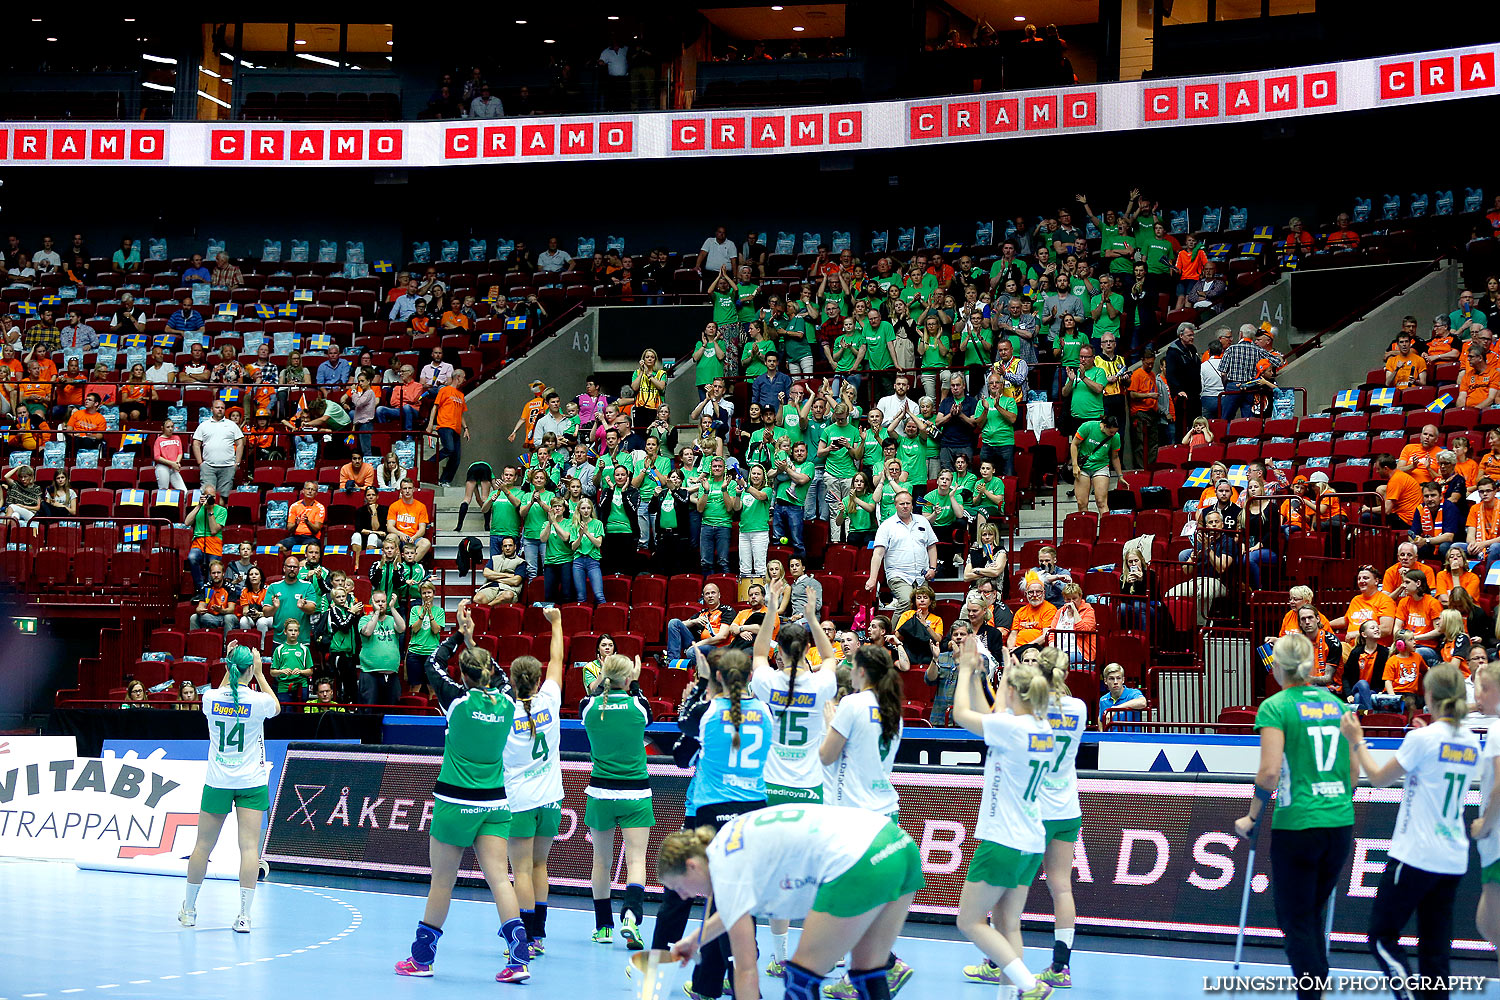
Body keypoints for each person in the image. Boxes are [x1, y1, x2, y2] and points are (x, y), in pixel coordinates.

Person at [394, 601, 532, 982]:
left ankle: (422, 959)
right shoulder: (507, 700)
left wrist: (457, 635)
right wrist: (474, 641)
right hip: (495, 803)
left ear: (465, 676)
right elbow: (501, 676)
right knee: (499, 881)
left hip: (455, 802)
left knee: (443, 881)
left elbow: (432, 664)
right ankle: (518, 960)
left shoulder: (455, 701)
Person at [659, 804, 924, 1000]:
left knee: (801, 979)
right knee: (868, 971)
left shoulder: (727, 873)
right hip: (899, 845)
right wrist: (695, 940)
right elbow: (735, 908)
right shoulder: (727, 842)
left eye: (678, 887)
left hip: (860, 860)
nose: (683, 896)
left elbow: (747, 969)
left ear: (692, 866)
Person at [1231, 632, 1354, 1000]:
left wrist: (1251, 818)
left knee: (1294, 919)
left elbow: (1269, 773)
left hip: (1298, 823)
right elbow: (1352, 773)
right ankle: (1317, 987)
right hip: (1339, 822)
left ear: (1277, 667)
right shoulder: (1339, 706)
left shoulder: (1277, 706)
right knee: (1312, 914)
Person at [1343, 663, 1476, 995]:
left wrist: (1356, 741)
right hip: (1452, 857)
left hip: (1415, 854)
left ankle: (1406, 993)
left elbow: (1377, 778)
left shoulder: (1422, 739)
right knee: (1436, 951)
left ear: (1429, 695)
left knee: (1382, 937)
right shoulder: (1471, 741)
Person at [653, 647, 771, 1000]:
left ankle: (739, 987)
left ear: (718, 678)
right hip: (753, 811)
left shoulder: (705, 713)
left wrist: (702, 686)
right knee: (731, 899)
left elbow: (681, 758)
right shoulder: (765, 710)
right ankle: (708, 984)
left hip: (712, 813)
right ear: (749, 677)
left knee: (725, 901)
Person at [951, 636, 1058, 1000]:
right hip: (1030, 840)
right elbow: (991, 717)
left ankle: (1030, 986)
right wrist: (982, 678)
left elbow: (962, 716)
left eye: (1005, 688)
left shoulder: (1013, 729)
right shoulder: (1041, 729)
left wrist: (965, 671)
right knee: (1007, 924)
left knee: (968, 921)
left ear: (1014, 693)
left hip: (1002, 840)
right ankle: (1010, 997)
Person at [178, 643, 279, 934]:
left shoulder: (209, 698)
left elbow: (225, 690)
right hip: (251, 782)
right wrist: (260, 675)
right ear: (250, 669)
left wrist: (230, 666)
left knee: (202, 847)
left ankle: (189, 909)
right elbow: (277, 707)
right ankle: (245, 916)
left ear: (227, 668)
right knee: (249, 849)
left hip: (218, 781)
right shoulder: (258, 701)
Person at [582, 651, 654, 947]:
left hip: (600, 793)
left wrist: (604, 681)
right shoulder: (638, 705)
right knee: (636, 859)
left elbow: (594, 695)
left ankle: (603, 928)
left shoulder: (588, 708)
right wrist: (635, 684)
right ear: (628, 678)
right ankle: (631, 918)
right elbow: (644, 711)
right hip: (635, 792)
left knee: (602, 861)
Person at [505, 607, 565, 958]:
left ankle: (524, 938)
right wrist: (557, 623)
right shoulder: (551, 700)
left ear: (513, 682)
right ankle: (538, 935)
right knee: (540, 866)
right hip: (552, 798)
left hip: (522, 801)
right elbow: (557, 657)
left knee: (521, 871)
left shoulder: (504, 713)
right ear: (538, 679)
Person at [865, 491, 939, 615]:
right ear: (895, 505)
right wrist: (872, 579)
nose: (905, 506)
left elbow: (931, 546)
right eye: (901, 503)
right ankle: (892, 633)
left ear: (912, 505)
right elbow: (877, 554)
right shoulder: (886, 525)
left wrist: (933, 568)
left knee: (924, 607)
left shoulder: (922, 521)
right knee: (906, 601)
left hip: (921, 575)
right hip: (898, 574)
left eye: (908, 503)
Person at [357, 590, 405, 706]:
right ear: (371, 603)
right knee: (370, 711)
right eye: (377, 601)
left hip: (391, 674)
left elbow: (402, 628)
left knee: (391, 711)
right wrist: (376, 613)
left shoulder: (392, 619)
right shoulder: (365, 619)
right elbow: (368, 632)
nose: (380, 604)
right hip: (370, 673)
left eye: (383, 601)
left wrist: (392, 608)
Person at [1069, 415, 1122, 515]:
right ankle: (1086, 528)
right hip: (1083, 466)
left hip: (1101, 466)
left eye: (1115, 432)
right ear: (1105, 426)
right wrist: (1075, 465)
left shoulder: (1115, 437)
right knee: (1081, 503)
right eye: (1111, 432)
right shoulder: (1088, 426)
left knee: (1101, 502)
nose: (1113, 434)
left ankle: (1105, 529)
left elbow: (1115, 457)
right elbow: (1074, 444)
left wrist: (1120, 476)